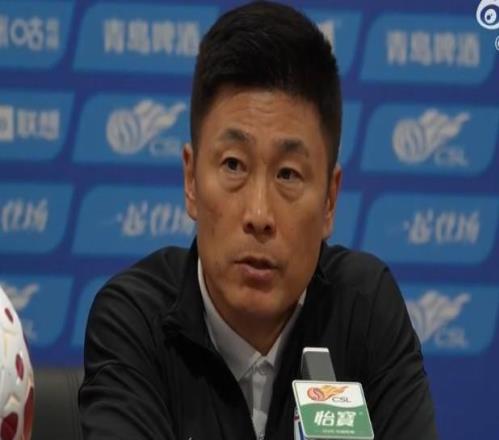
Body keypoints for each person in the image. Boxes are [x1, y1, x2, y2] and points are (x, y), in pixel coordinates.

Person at [79, 2, 438, 439]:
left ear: (329, 200)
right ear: (191, 180)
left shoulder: (364, 311)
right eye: (233, 165)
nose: (259, 215)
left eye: (288, 174)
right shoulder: (135, 321)